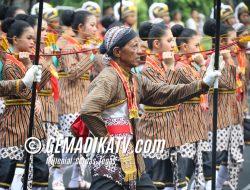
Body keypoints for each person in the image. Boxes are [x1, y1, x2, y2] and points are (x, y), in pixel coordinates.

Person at [79, 25, 221, 190]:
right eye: (134, 46)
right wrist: (107, 140)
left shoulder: (134, 78)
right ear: (117, 52)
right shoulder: (108, 78)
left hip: (132, 157)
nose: (140, 51)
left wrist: (203, 84)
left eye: (139, 45)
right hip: (109, 160)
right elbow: (88, 110)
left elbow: (164, 92)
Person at [0, 18, 51, 190]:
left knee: (39, 166)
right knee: (9, 167)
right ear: (15, 39)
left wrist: (31, 63)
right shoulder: (9, 65)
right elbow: (26, 92)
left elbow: (41, 82)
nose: (33, 42)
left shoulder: (22, 62)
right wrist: (29, 70)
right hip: (15, 121)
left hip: (31, 120)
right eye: (29, 38)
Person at [56, 10, 98, 189]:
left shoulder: (85, 46)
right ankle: (57, 177)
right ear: (80, 27)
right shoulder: (67, 46)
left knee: (83, 142)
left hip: (84, 102)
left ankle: (75, 179)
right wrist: (92, 56)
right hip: (69, 102)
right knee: (70, 143)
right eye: (92, 25)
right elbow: (73, 73)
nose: (95, 29)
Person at [203, 19, 244, 190]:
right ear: (221, 41)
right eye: (231, 40)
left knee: (234, 154)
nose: (234, 44)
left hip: (232, 111)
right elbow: (231, 82)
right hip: (217, 112)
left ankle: (219, 186)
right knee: (215, 156)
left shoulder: (231, 56)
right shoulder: (211, 59)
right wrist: (229, 61)